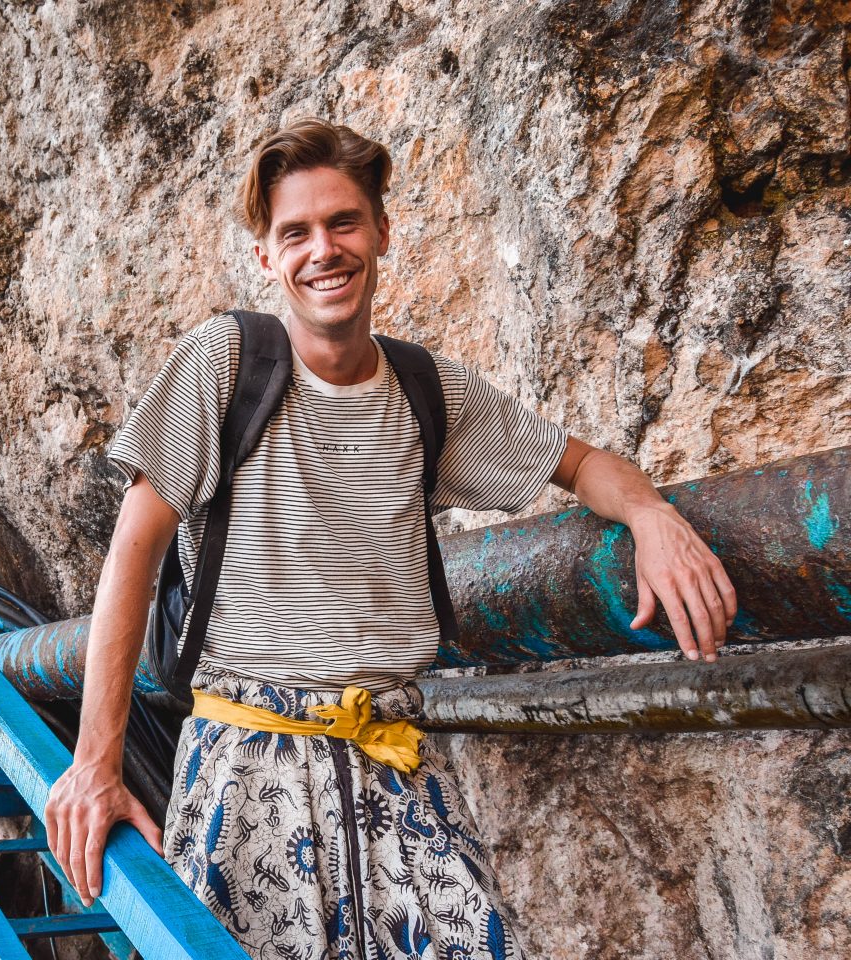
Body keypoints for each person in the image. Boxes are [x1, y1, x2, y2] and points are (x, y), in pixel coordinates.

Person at [43, 118, 736, 960]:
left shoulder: (424, 389)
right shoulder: (224, 363)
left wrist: (652, 516)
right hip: (249, 763)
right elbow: (134, 550)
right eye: (293, 232)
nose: (321, 249)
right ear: (266, 256)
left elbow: (583, 463)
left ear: (380, 231)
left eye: (342, 222)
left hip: (397, 764)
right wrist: (95, 767)